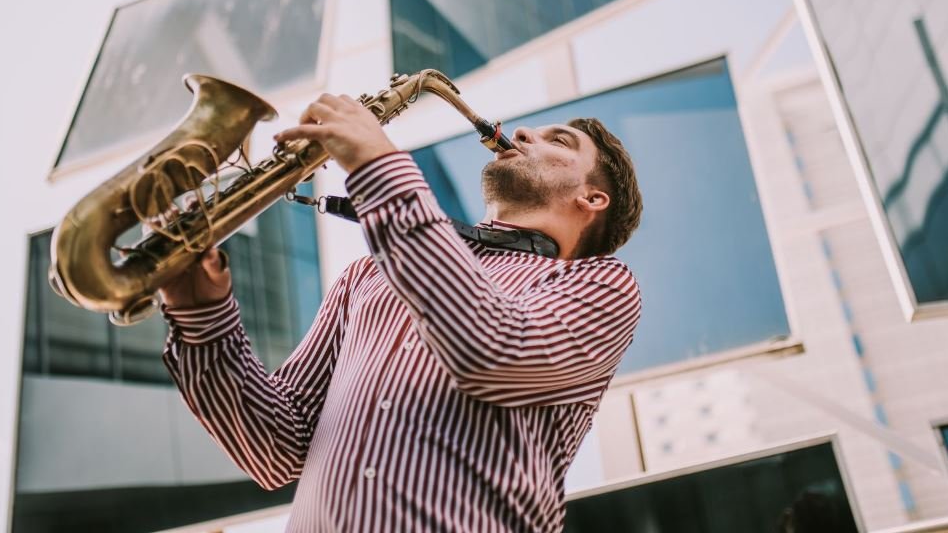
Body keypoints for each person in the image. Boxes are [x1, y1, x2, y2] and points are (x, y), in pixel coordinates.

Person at [158, 93, 644, 532]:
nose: (520, 133)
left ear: (592, 199)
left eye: (557, 140)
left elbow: (494, 352)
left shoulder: (601, 283)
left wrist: (379, 164)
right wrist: (201, 313)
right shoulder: (365, 277)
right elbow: (275, 450)